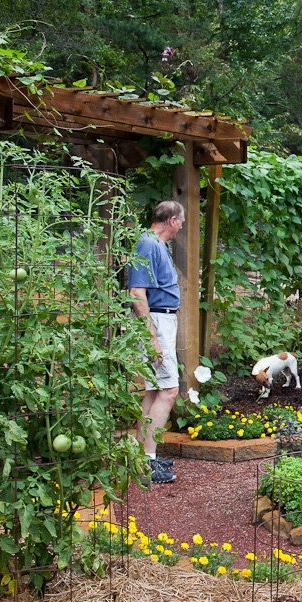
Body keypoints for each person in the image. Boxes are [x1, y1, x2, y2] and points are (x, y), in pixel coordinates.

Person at [128, 200, 184, 485]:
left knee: (153, 391)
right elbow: (137, 292)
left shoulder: (154, 244)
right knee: (169, 390)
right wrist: (152, 338)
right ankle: (147, 462)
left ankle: (140, 457)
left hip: (163, 321)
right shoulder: (149, 244)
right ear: (172, 220)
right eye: (181, 222)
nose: (181, 227)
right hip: (157, 323)